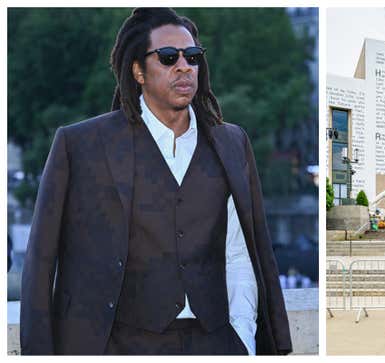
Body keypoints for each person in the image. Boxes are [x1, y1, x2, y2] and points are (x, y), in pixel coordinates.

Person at [20, 8, 291, 355]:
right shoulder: (81, 145)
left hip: (215, 342)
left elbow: (239, 252)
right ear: (138, 70)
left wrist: (243, 340)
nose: (184, 67)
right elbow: (41, 261)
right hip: (118, 345)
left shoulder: (231, 142)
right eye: (168, 57)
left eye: (192, 57)